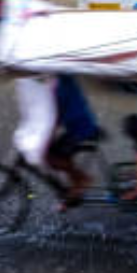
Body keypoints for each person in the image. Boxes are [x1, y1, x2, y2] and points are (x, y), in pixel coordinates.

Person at [46, 74, 100, 207]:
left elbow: (56, 115)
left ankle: (83, 179)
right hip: (76, 128)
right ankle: (74, 191)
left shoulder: (62, 85)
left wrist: (47, 134)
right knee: (56, 155)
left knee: (54, 158)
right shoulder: (62, 80)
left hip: (81, 130)